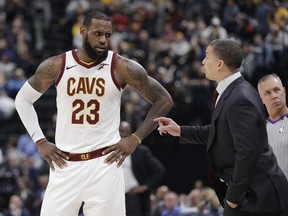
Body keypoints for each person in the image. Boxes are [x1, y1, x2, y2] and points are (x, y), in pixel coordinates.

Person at [15, 11, 173, 216]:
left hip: (104, 165)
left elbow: (164, 100)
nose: (103, 40)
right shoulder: (57, 65)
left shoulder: (121, 67)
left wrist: (135, 139)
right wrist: (40, 141)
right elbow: (22, 100)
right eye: (98, 33)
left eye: (108, 35)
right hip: (65, 165)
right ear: (82, 31)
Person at [154, 39, 288, 215]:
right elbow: (221, 132)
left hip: (260, 198)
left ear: (219, 64)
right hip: (252, 193)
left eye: (207, 56)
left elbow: (247, 153)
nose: (203, 61)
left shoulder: (241, 98)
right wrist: (180, 130)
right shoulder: (232, 92)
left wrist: (233, 198)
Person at [119, 121, 165, 216]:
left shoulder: (141, 151)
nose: (123, 134)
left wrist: (145, 187)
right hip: (113, 195)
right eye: (121, 131)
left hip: (133, 197)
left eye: (126, 131)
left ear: (131, 133)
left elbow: (159, 170)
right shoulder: (109, 149)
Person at [257, 74, 288, 179]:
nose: (274, 96)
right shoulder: (259, 132)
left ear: (284, 91)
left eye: (276, 90)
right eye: (268, 93)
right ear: (261, 99)